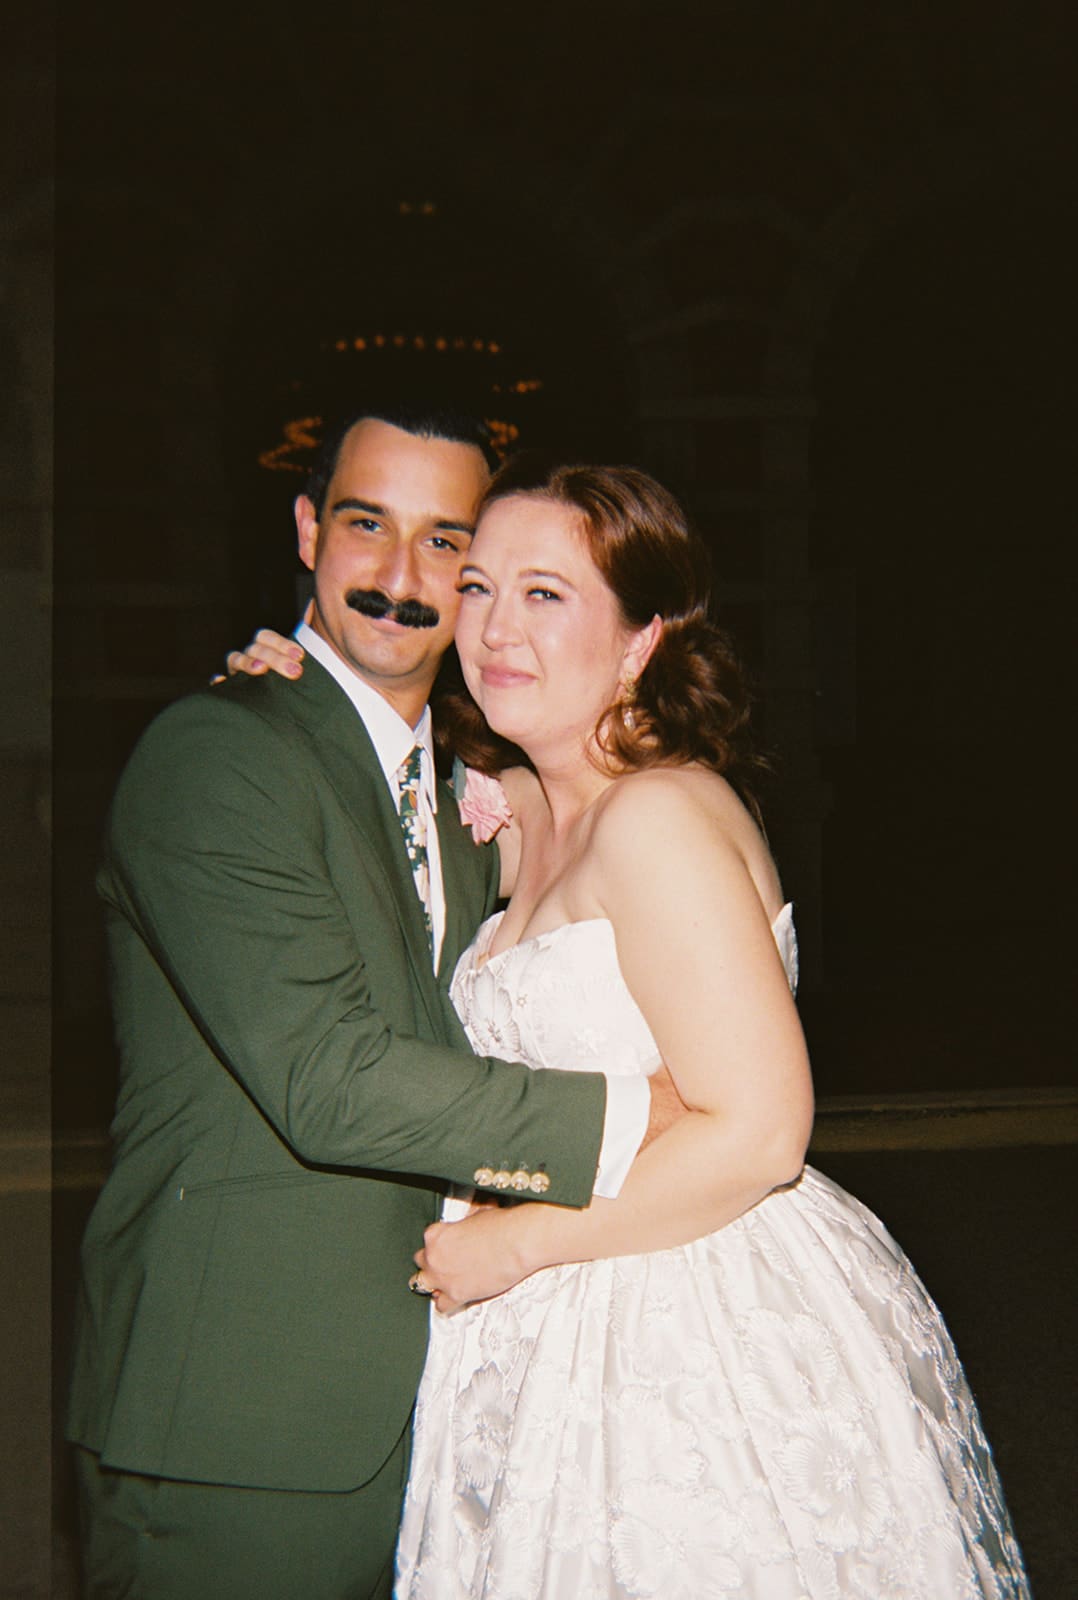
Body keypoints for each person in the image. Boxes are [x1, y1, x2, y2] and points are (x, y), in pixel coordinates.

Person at [239, 456, 1030, 1597]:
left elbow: (762, 1132)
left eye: (546, 595)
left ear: (640, 640)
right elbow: (381, 780)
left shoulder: (657, 816)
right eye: (480, 587)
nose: (495, 628)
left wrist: (520, 1242)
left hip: (684, 1319)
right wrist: (295, 693)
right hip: (543, 1331)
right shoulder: (523, 807)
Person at [66, 407, 679, 1600]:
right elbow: (328, 1079)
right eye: (365, 525)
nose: (401, 580)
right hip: (240, 1428)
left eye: (444, 545)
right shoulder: (215, 754)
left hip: (454, 1412)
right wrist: (645, 1116)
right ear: (306, 530)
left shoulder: (469, 800)